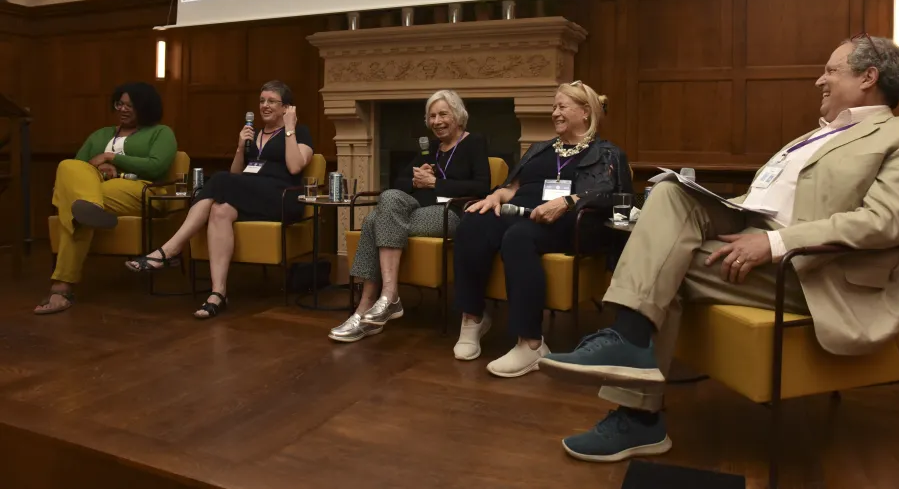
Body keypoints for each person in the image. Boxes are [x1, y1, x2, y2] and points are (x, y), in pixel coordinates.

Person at [538, 35, 899, 462]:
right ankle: (630, 347)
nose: (818, 81)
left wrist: (772, 243)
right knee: (667, 195)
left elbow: (885, 222)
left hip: (814, 272)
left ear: (869, 77)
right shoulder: (812, 137)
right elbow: (764, 199)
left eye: (831, 70)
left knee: (662, 262)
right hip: (752, 232)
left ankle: (637, 406)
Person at [452, 81, 633, 377]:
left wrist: (567, 200)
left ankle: (531, 344)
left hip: (570, 222)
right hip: (520, 210)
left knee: (519, 237)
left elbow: (614, 195)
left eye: (562, 107)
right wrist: (496, 196)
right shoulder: (540, 149)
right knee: (472, 223)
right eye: (554, 107)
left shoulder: (608, 152)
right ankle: (472, 317)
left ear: (585, 112)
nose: (555, 113)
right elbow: (514, 186)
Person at [126, 80, 314, 319]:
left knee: (219, 180)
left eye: (272, 101)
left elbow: (295, 165)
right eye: (262, 100)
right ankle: (218, 293)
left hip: (282, 197)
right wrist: (239, 147)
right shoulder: (253, 135)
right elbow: (237, 175)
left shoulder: (301, 133)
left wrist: (289, 128)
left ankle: (170, 249)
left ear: (287, 107)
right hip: (250, 193)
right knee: (220, 210)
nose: (264, 106)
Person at [329, 90, 491, 342]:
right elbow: (399, 182)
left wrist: (435, 183)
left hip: (453, 214)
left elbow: (481, 186)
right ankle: (386, 299)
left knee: (373, 221)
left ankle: (366, 309)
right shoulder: (431, 148)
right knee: (389, 199)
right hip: (418, 210)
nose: (436, 121)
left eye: (442, 114)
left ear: (458, 115)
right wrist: (417, 179)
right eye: (432, 116)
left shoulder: (474, 142)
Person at [35, 82, 177, 315]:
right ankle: (90, 210)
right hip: (98, 190)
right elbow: (78, 168)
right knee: (67, 169)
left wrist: (111, 158)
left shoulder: (161, 133)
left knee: (75, 203)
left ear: (146, 107)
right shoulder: (100, 134)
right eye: (119, 104)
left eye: (131, 105)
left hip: (141, 190)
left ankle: (61, 288)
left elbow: (156, 166)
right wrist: (100, 170)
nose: (123, 109)